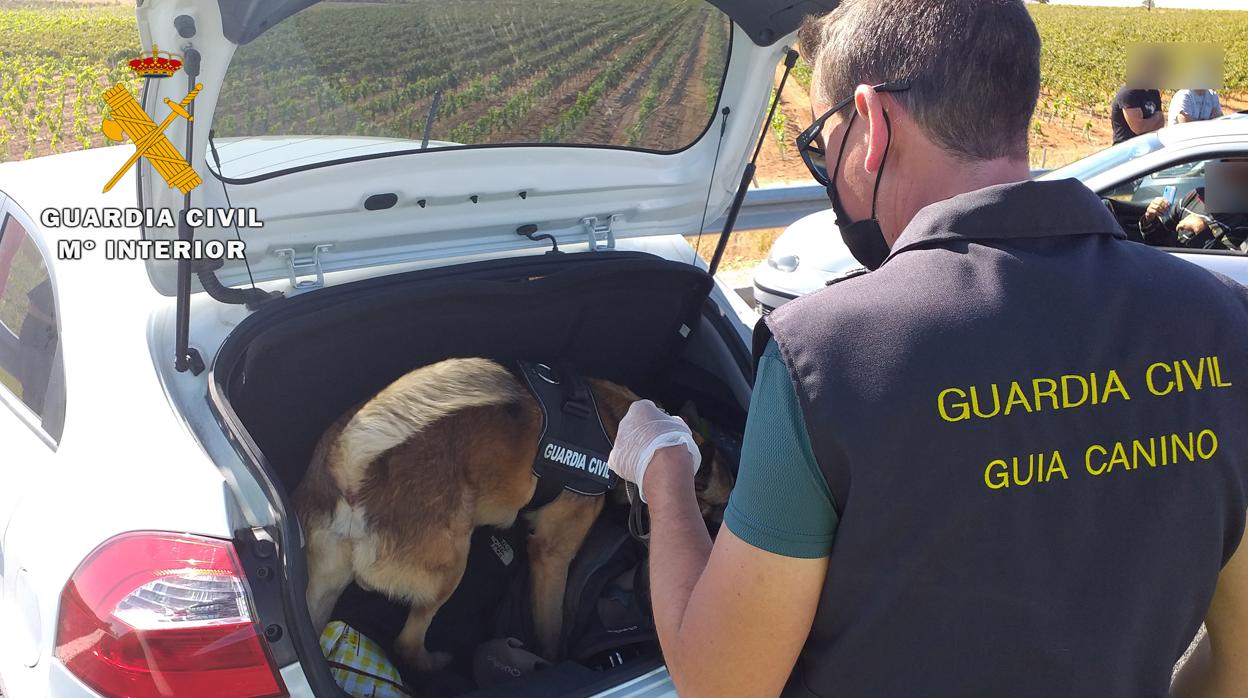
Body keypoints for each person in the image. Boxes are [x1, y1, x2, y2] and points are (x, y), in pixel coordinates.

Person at [606, 1, 1248, 696]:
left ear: (873, 124)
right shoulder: (1221, 319)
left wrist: (664, 470)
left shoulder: (827, 355)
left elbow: (719, 683)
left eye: (823, 141)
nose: (827, 170)